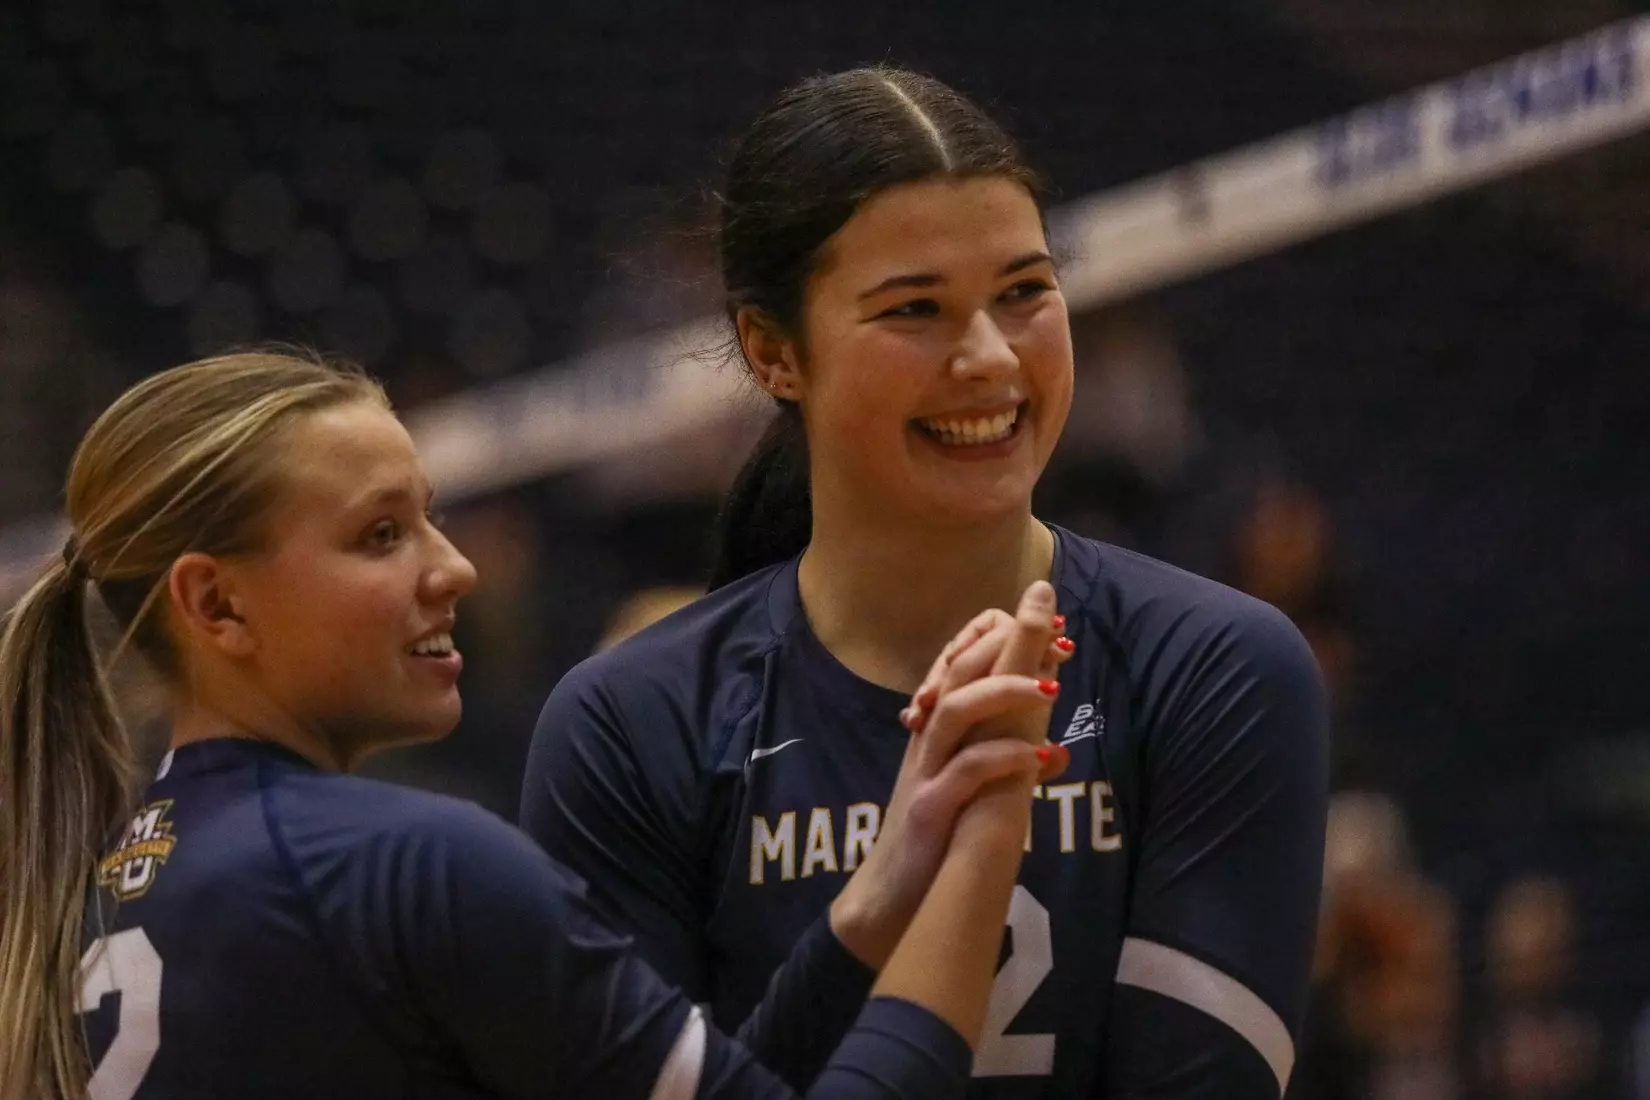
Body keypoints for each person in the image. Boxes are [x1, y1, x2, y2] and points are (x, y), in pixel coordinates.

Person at [521, 67, 1331, 1099]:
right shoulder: (631, 723)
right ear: (773, 350)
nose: (990, 356)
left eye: (1026, 291)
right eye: (917, 309)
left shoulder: (1213, 667)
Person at [0, 349, 1076, 1100]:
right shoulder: (404, 865)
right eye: (380, 534)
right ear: (217, 604)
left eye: (430, 513)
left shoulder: (110, 878)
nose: (454, 565)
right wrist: (988, 829)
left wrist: (875, 903)